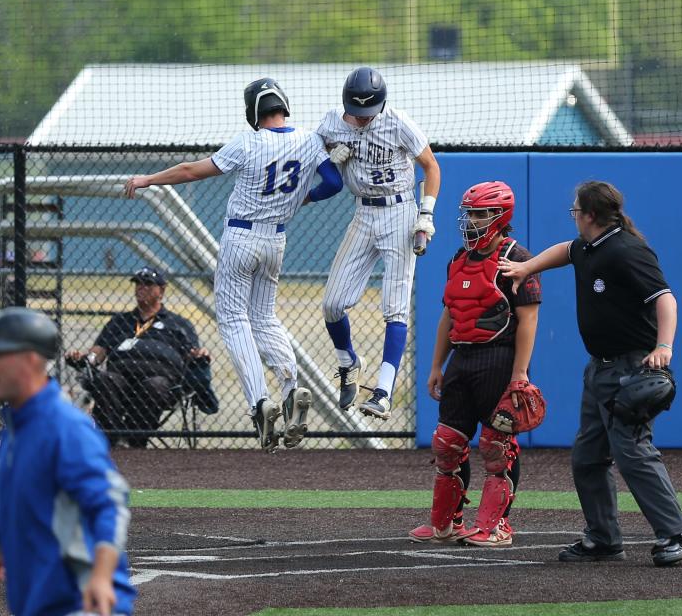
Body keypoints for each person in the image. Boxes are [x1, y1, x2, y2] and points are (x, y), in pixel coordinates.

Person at [124, 78, 344, 452]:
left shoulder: (249, 141)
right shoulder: (309, 140)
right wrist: (302, 199)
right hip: (277, 238)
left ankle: (260, 401)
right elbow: (335, 183)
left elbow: (192, 171)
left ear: (252, 112)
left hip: (242, 236)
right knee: (265, 318)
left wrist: (148, 179)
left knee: (233, 319)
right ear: (284, 105)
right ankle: (290, 387)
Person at [500, 180, 682, 567]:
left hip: (631, 368)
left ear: (591, 214)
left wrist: (664, 347)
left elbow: (665, 298)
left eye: (576, 210)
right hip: (599, 370)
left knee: (632, 452)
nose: (573, 215)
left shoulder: (627, 249)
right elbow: (566, 251)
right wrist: (527, 267)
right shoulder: (591, 245)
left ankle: (679, 534)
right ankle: (604, 538)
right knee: (588, 456)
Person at [0, 307, 136, 616]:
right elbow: (17, 501)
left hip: (82, 602)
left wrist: (101, 578)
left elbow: (110, 504)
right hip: (40, 601)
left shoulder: (66, 428)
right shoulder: (14, 429)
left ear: (31, 360)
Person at [407, 182, 541, 546]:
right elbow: (449, 316)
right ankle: (445, 524)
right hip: (461, 360)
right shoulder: (458, 258)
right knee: (447, 443)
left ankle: (496, 526)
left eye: (481, 214)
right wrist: (437, 366)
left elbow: (528, 319)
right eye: (470, 213)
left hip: (498, 358)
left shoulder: (517, 257)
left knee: (497, 446)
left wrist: (520, 374)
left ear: (500, 217)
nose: (473, 221)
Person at [317, 66, 441, 420]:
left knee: (395, 306)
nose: (360, 120)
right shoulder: (331, 122)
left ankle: (383, 392)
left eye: (366, 113)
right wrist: (328, 160)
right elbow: (314, 157)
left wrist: (426, 213)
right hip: (363, 212)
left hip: (400, 210)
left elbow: (431, 167)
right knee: (331, 304)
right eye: (354, 113)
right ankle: (349, 362)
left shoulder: (398, 122)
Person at [65, 266, 219, 448]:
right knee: (105, 379)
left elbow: (192, 353)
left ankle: (135, 441)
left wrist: (199, 354)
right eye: (138, 283)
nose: (141, 287)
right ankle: (113, 439)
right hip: (121, 378)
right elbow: (98, 351)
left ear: (161, 290)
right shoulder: (119, 322)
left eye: (148, 283)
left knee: (154, 386)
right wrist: (86, 359)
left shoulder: (179, 324)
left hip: (162, 381)